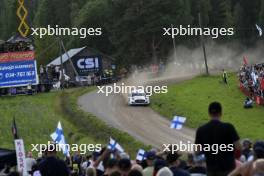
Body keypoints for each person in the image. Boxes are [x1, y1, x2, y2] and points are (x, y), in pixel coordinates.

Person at [195, 102, 241, 176]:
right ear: (221, 113)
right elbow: (238, 147)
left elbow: (197, 151)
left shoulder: (201, 130)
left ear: (209, 113)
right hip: (228, 169)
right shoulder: (229, 127)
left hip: (211, 169)